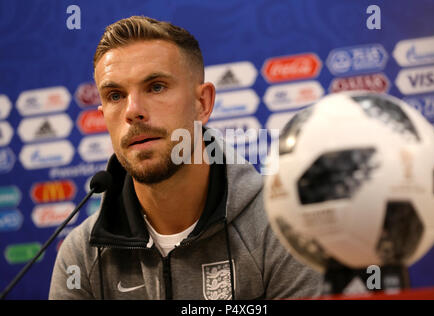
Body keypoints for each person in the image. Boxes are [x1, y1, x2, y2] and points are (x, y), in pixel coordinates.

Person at [49, 16, 323, 300]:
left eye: (156, 87)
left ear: (202, 103)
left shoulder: (283, 226)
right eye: (115, 95)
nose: (133, 111)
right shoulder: (80, 255)